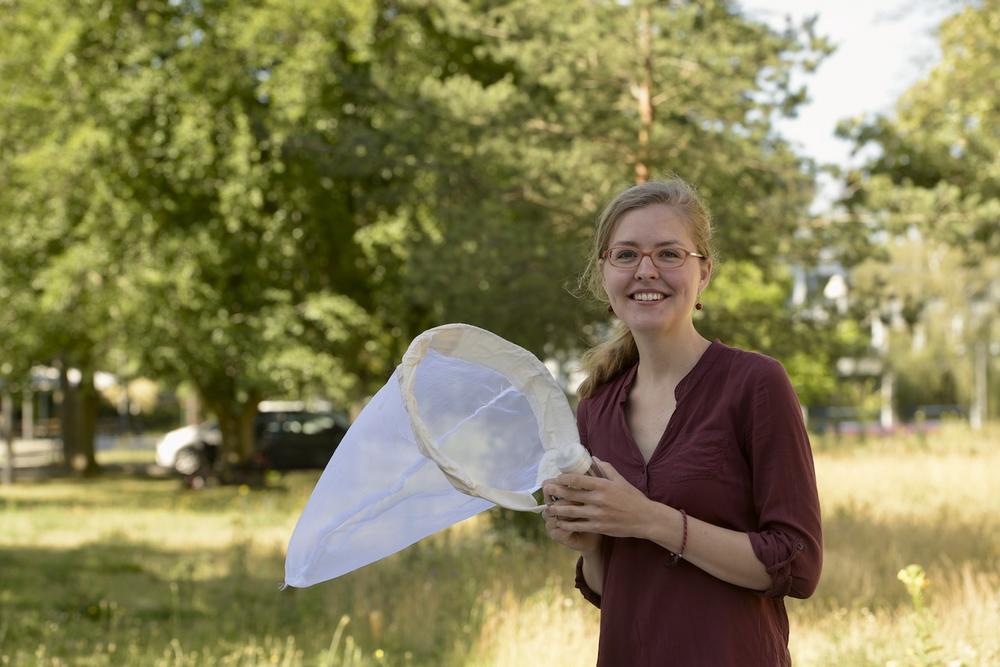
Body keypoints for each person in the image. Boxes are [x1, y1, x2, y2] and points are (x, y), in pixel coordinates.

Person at [542, 178, 822, 666]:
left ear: (704, 272)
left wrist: (649, 519)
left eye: (669, 254)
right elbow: (616, 589)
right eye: (626, 255)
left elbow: (798, 564)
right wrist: (591, 548)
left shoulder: (755, 384)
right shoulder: (595, 406)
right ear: (604, 272)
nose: (646, 270)